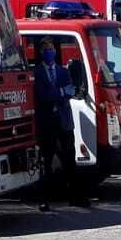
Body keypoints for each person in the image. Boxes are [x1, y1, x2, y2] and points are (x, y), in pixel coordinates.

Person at [32, 38, 85, 210]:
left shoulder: (63, 71)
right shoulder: (37, 72)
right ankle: (44, 200)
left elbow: (70, 92)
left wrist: (60, 93)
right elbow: (42, 95)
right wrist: (61, 92)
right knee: (45, 162)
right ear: (41, 52)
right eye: (46, 49)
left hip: (64, 121)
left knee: (70, 160)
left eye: (52, 48)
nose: (49, 52)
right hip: (47, 122)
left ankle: (75, 197)